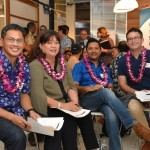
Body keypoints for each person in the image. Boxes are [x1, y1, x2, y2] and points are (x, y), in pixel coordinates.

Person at [72, 38, 150, 150]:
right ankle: (132, 123)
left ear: (100, 50)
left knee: (111, 114)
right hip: (86, 99)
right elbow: (74, 87)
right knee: (105, 92)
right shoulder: (79, 66)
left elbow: (111, 86)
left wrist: (108, 87)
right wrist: (90, 88)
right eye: (90, 49)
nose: (93, 51)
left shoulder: (105, 67)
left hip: (103, 99)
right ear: (86, 51)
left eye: (96, 48)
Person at [29, 30, 99, 150]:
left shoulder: (63, 63)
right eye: (49, 43)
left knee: (83, 116)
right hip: (46, 106)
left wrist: (75, 104)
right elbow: (38, 95)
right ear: (41, 46)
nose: (53, 46)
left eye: (56, 43)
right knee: (62, 124)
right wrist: (63, 106)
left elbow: (71, 86)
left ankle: (93, 148)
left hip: (64, 104)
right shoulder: (35, 65)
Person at [0, 24, 40, 150]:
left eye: (20, 40)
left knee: (47, 123)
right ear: (1, 42)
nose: (16, 44)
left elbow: (23, 93)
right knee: (17, 137)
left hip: (16, 111)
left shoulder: (24, 65)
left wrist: (31, 111)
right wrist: (12, 118)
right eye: (11, 40)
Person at [118, 27, 150, 149]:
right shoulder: (122, 60)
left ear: (142, 40)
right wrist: (137, 92)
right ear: (127, 42)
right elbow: (122, 84)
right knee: (132, 107)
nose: (133, 41)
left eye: (136, 38)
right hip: (135, 95)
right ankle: (148, 139)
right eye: (130, 39)